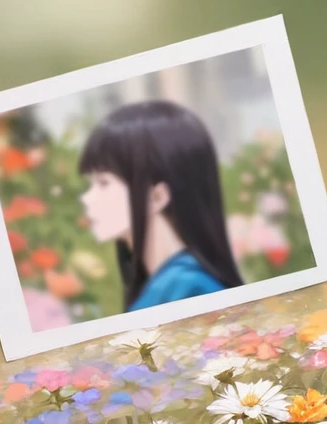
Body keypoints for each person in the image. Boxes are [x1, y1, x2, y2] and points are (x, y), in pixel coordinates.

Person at [78, 99, 243, 312]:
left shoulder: (190, 289)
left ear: (157, 197)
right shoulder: (170, 284)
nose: (87, 198)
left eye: (103, 183)